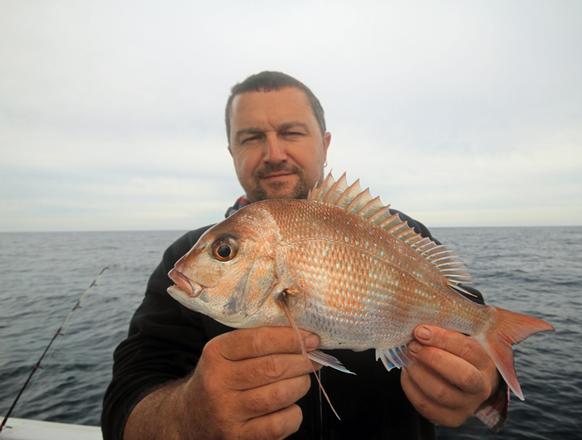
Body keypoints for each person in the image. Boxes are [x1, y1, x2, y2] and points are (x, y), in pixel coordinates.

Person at [102, 71, 508, 440]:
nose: (274, 152)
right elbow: (125, 402)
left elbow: (470, 320)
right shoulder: (182, 258)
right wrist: (184, 418)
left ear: (324, 143)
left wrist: (484, 386)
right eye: (251, 137)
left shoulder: (403, 235)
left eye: (291, 132)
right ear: (231, 152)